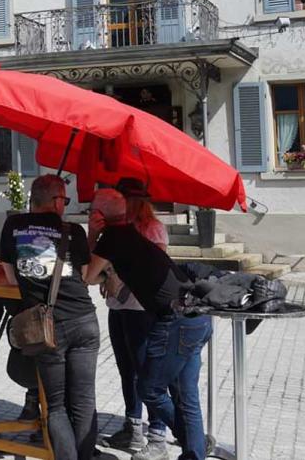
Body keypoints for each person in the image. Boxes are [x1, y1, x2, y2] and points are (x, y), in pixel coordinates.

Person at [85, 189, 211, 460]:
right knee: (186, 395)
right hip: (197, 314)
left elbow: (88, 276)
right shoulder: (130, 234)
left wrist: (91, 235)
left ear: (98, 215)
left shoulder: (113, 238)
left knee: (149, 389)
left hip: (176, 320)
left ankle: (191, 441)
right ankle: (195, 452)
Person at [0, 174, 99, 460]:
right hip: (84, 320)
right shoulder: (73, 231)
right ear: (55, 201)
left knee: (56, 406)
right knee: (83, 401)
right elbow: (83, 276)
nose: (65, 205)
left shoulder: (13, 225)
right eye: (65, 200)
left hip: (48, 327)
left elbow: (9, 278)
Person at [100, 178, 170, 454]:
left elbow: (158, 271)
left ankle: (157, 433)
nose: (122, 204)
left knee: (146, 372)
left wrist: (124, 279)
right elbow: (102, 263)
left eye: (125, 199)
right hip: (118, 307)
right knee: (125, 369)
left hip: (141, 309)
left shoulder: (153, 229)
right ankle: (132, 427)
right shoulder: (116, 231)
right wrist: (108, 274)